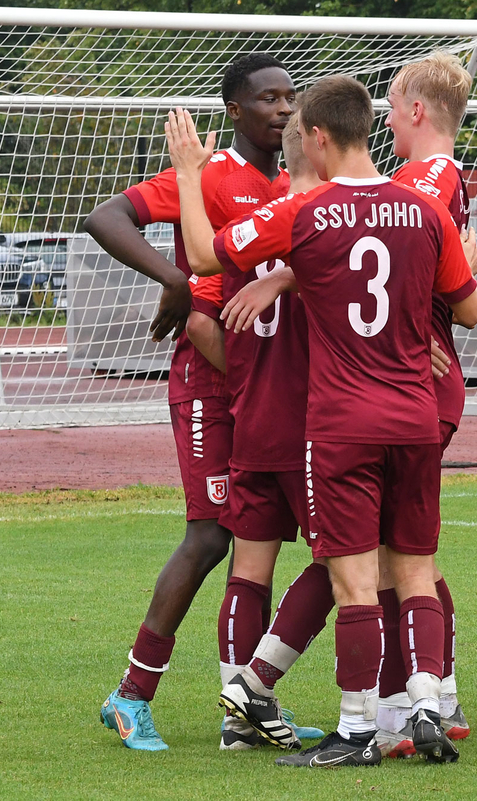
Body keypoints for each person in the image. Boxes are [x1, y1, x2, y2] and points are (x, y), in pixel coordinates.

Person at [176, 75, 477, 768]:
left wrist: (191, 177)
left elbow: (204, 255)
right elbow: (468, 309)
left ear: (315, 137)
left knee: (352, 582)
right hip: (414, 417)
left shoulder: (308, 213)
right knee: (415, 571)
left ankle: (355, 728)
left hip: (343, 422)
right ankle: (429, 706)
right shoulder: (425, 209)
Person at [88, 52, 296, 752]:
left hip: (267, 385)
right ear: (234, 110)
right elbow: (106, 216)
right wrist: (175, 279)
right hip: (214, 385)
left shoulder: (301, 182)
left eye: (290, 98)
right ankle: (130, 694)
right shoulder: (204, 176)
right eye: (268, 99)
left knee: (257, 542)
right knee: (210, 534)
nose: (283, 110)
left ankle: (244, 707)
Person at [168, 112, 330, 751]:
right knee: (349, 559)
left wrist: (188, 177)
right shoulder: (327, 220)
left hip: (252, 420)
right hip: (312, 423)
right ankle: (264, 689)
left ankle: (238, 723)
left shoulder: (245, 230)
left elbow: (202, 306)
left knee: (251, 567)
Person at [376, 50, 477, 754]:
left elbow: (394, 262)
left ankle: (398, 705)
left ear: (416, 109)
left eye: (390, 104)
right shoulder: (421, 177)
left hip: (414, 384)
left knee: (392, 557)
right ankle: (438, 691)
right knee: (413, 554)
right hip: (417, 378)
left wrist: (415, 331)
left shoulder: (427, 176)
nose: (385, 117)